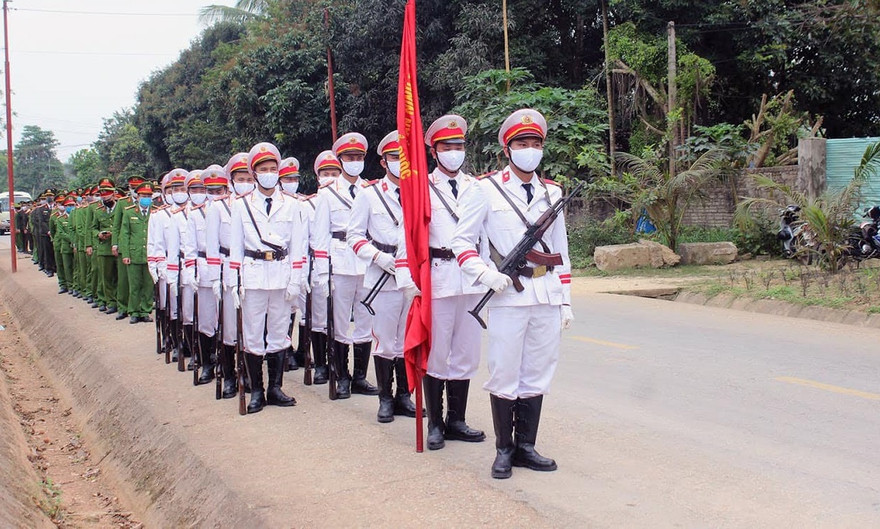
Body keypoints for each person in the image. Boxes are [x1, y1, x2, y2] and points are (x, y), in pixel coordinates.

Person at [451, 108, 574, 479]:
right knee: (505, 371)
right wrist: (486, 274)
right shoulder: (484, 189)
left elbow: (562, 252)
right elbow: (461, 242)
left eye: (536, 143)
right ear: (508, 149)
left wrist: (566, 300)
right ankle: (504, 449)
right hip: (507, 295)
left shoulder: (551, 192)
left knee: (537, 372)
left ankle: (526, 446)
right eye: (522, 143)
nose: (530, 149)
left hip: (546, 292)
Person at [398, 114, 487, 449]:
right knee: (437, 353)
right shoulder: (420, 188)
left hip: (472, 280)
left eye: (459, 146)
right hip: (436, 277)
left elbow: (485, 236)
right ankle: (434, 423)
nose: (454, 152)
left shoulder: (476, 187)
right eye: (447, 147)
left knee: (466, 353)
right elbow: (405, 235)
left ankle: (457, 420)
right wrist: (406, 275)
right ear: (433, 152)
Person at [228, 142, 303, 414]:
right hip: (254, 277)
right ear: (254, 173)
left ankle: (275, 387)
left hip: (282, 276)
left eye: (273, 168)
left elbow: (298, 246)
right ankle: (256, 390)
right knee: (252, 335)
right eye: (263, 169)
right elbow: (235, 249)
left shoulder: (291, 205)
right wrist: (233, 282)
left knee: (280, 333)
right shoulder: (241, 206)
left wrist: (296, 279)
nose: (269, 173)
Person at [347, 131, 416, 422]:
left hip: (410, 275)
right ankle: (385, 398)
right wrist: (377, 256)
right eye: (393, 157)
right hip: (382, 276)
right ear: (383, 162)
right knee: (386, 340)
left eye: (404, 157)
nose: (399, 163)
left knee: (406, 338)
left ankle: (404, 396)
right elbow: (353, 236)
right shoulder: (369, 195)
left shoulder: (420, 192)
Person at [312, 133, 378, 399]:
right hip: (338, 263)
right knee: (339, 323)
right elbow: (320, 236)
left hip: (366, 263)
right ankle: (342, 376)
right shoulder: (327, 194)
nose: (355, 162)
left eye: (359, 157)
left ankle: (360, 377)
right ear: (340, 160)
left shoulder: (371, 191)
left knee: (365, 320)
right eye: (350, 158)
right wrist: (320, 272)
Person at [206, 153, 248, 398]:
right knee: (230, 328)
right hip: (226, 270)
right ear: (230, 181)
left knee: (250, 329)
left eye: (247, 178)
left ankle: (248, 375)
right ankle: (230, 375)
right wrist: (214, 278)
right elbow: (212, 246)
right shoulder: (218, 207)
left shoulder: (254, 204)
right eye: (239, 178)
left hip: (251, 270)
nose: (244, 182)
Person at [185, 166, 225, 385]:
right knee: (206, 321)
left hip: (226, 270)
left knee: (227, 323)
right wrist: (191, 270)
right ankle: (207, 363)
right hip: (205, 271)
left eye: (220, 190)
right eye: (211, 191)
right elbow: (190, 246)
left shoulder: (233, 210)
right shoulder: (195, 214)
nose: (215, 195)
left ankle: (227, 364)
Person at [306, 150, 342, 384]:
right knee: (319, 317)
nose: (329, 177)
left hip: (342, 263)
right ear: (317, 176)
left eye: (334, 173)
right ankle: (320, 364)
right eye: (325, 173)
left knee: (338, 319)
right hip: (318, 264)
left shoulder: (349, 198)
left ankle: (339, 366)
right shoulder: (307, 204)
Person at [119, 182, 157, 324]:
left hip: (150, 254)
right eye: (143, 195)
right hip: (134, 254)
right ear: (137, 196)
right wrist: (126, 254)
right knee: (134, 285)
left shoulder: (156, 211)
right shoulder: (129, 212)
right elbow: (125, 234)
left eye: (148, 195)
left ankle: (145, 311)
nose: (146, 198)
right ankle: (134, 311)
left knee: (148, 285)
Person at [113, 176, 146, 320]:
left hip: (142, 249)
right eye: (133, 188)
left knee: (143, 282)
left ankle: (142, 309)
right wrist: (116, 244)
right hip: (126, 246)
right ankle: (123, 307)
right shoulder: (122, 203)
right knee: (124, 280)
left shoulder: (151, 207)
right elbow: (117, 226)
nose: (134, 190)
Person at [90, 178, 119, 314]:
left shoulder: (121, 207)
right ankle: (110, 302)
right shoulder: (98, 210)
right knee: (106, 278)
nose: (105, 196)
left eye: (107, 193)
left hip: (118, 248)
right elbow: (93, 228)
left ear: (114, 193)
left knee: (120, 277)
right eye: (102, 194)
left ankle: (121, 302)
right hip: (103, 248)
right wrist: (99, 234)